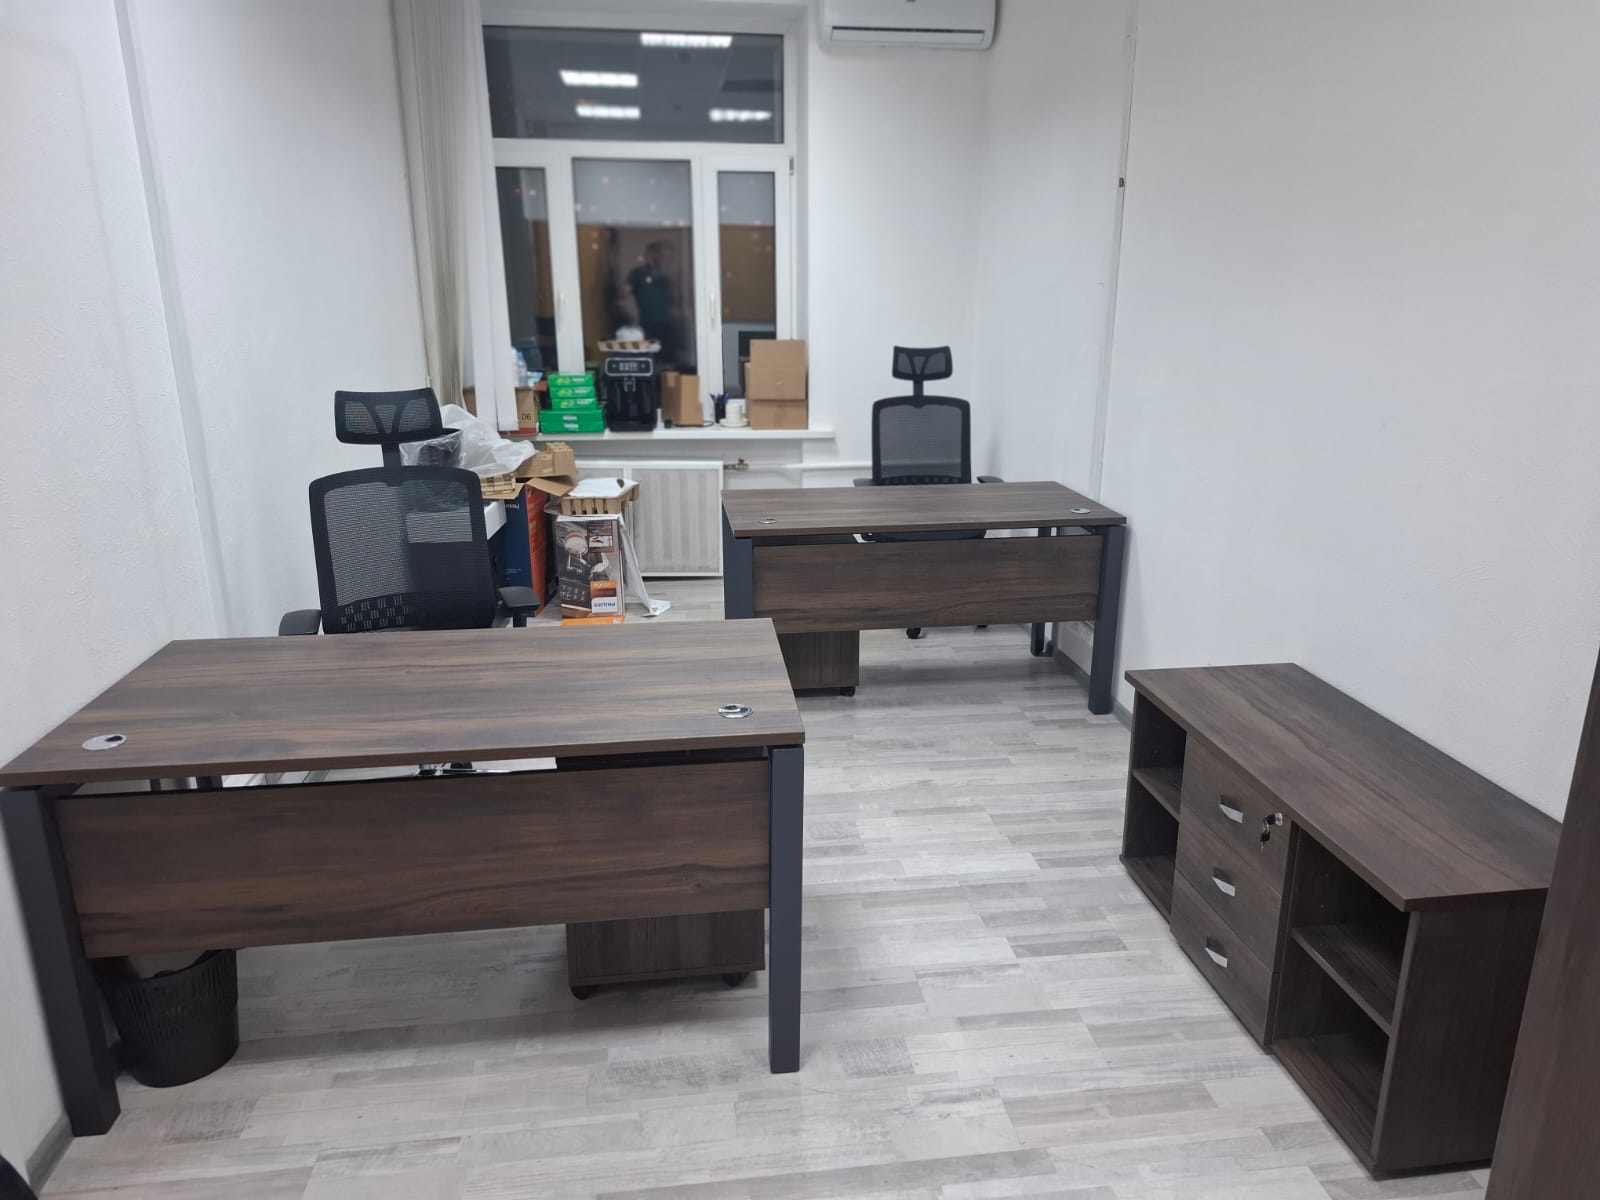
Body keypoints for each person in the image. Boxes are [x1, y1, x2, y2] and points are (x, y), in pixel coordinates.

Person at [625, 240, 681, 366]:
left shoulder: (665, 276)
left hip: (667, 325)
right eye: (663, 256)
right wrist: (632, 318)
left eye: (670, 257)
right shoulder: (638, 274)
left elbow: (674, 301)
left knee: (667, 361)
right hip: (647, 325)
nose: (666, 260)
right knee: (648, 360)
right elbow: (625, 295)